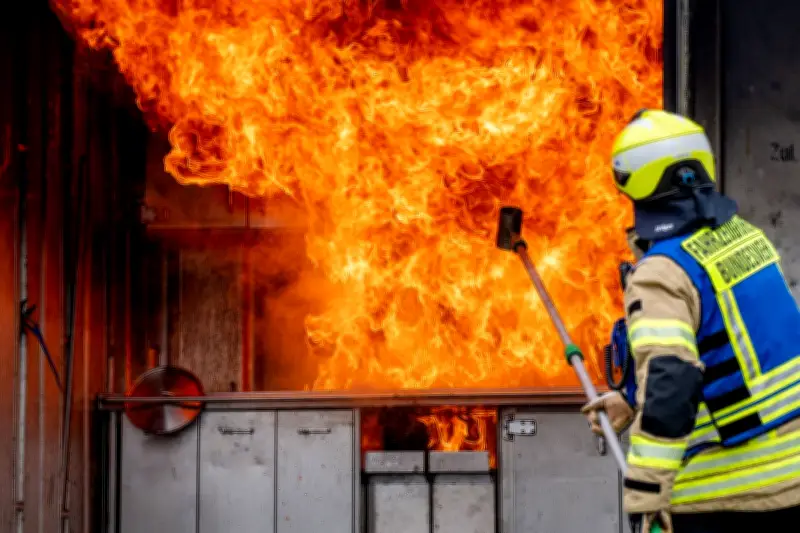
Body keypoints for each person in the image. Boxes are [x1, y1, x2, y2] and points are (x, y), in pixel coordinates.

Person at [581, 109, 800, 533]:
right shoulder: (744, 239)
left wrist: (645, 493)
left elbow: (672, 387)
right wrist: (631, 399)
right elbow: (727, 353)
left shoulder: (662, 271)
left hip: (729, 493)